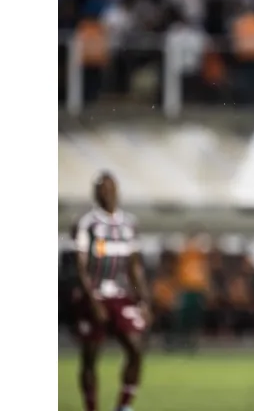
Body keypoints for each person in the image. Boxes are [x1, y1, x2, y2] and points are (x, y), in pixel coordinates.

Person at [73, 172, 150, 411]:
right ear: (96, 193)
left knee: (136, 349)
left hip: (119, 295)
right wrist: (92, 299)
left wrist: (144, 300)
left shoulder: (129, 224)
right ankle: (91, 406)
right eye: (102, 189)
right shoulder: (87, 223)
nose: (106, 193)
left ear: (117, 190)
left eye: (110, 188)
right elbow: (81, 265)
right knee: (91, 355)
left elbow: (135, 266)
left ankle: (124, 406)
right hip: (93, 296)